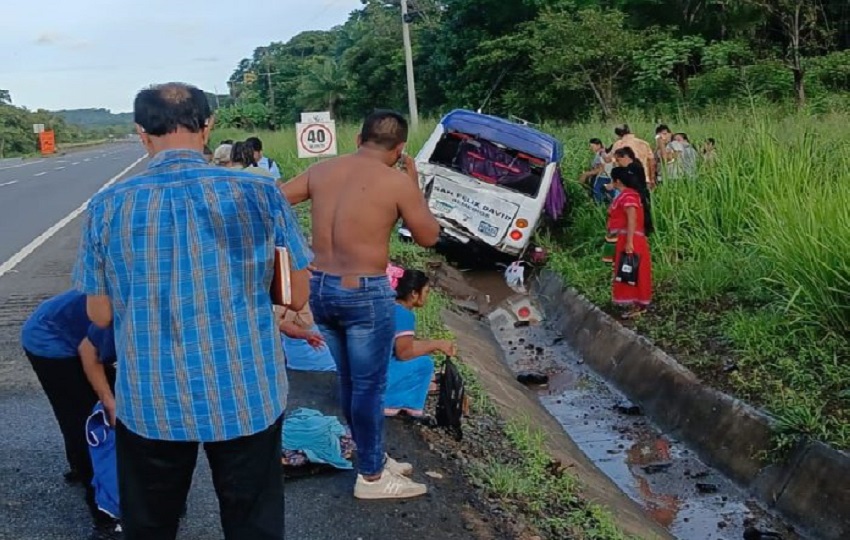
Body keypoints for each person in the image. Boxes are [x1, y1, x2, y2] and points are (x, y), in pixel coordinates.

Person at [73, 82, 312, 540]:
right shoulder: (262, 192)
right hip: (247, 390)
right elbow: (296, 296)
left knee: (152, 523)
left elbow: (100, 315)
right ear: (208, 127)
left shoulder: (107, 207)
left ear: (142, 133)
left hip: (151, 397)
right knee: (253, 522)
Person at [282, 109, 440, 500]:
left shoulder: (322, 171)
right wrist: (413, 183)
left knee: (351, 381)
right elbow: (427, 236)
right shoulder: (397, 182)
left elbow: (277, 198)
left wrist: (297, 249)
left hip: (321, 287)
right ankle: (370, 476)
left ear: (358, 138)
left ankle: (373, 455)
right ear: (400, 149)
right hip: (364, 293)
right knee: (369, 387)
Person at [20, 290, 122, 540]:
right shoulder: (125, 308)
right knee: (90, 422)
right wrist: (109, 400)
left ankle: (85, 466)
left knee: (113, 406)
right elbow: (90, 352)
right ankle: (105, 518)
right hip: (49, 337)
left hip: (77, 329)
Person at [384, 269, 455, 417]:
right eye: (426, 291)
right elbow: (404, 353)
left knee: (422, 359)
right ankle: (394, 402)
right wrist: (436, 344)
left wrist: (430, 346)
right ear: (414, 293)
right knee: (425, 364)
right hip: (378, 375)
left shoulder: (391, 306)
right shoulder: (403, 314)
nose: (427, 296)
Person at [608, 167, 653, 318]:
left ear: (617, 181)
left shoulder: (629, 196)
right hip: (626, 238)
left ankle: (638, 306)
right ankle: (634, 305)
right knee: (627, 271)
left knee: (635, 272)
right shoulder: (626, 195)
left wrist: (629, 241)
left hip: (631, 238)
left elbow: (632, 217)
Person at [612, 147, 654, 236]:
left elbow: (633, 182)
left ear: (626, 157)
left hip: (639, 194)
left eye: (618, 160)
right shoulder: (628, 168)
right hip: (635, 194)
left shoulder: (634, 167)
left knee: (641, 216)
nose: (617, 162)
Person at [609, 124, 656, 189]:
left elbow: (614, 162)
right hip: (644, 178)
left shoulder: (618, 144)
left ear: (618, 134)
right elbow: (652, 162)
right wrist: (652, 179)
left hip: (625, 180)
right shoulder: (644, 143)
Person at [579, 138, 610, 204]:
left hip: (601, 174)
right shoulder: (599, 153)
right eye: (590, 146)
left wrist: (588, 173)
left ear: (598, 145)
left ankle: (598, 203)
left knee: (596, 189)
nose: (591, 148)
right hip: (600, 173)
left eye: (592, 146)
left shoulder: (602, 153)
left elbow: (602, 166)